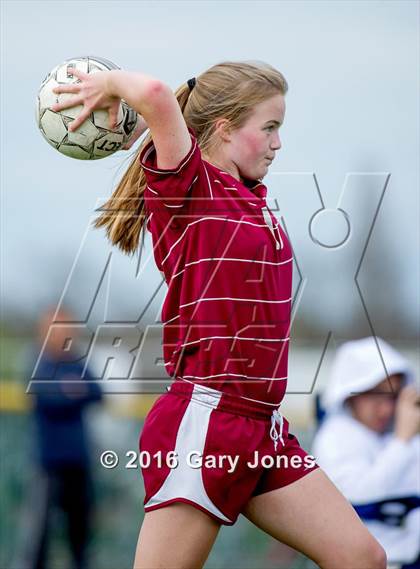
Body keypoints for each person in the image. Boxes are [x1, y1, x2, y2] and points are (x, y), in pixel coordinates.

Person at [51, 61, 387, 569]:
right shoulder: (190, 189)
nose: (278, 144)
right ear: (226, 130)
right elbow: (160, 95)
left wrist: (132, 128)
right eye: (269, 128)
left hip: (262, 428)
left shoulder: (246, 196)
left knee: (363, 558)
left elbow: (171, 114)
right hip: (207, 423)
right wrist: (109, 85)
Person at [312, 337, 420, 568]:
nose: (387, 408)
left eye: (393, 396)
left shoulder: (399, 434)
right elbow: (358, 497)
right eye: (376, 394)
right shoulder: (335, 437)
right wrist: (402, 441)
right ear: (352, 393)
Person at [25, 307, 103, 569]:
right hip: (49, 464)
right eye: (56, 327)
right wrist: (70, 391)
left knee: (80, 533)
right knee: (40, 535)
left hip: (79, 462)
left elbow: (97, 392)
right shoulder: (40, 363)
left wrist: (70, 391)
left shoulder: (77, 362)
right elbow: (48, 398)